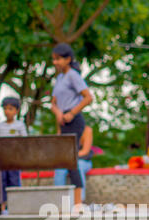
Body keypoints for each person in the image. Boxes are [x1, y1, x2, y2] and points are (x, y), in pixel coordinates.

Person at [51, 43, 93, 205]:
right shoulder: (60, 78)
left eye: (58, 59)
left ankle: (78, 203)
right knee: (65, 160)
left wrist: (72, 113)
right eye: (53, 59)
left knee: (71, 159)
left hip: (74, 121)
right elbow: (53, 103)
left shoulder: (73, 75)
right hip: (63, 121)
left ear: (68, 59)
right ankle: (62, 203)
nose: (55, 62)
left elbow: (88, 97)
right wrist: (59, 114)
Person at [0, 97, 27, 213]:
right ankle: (2, 208)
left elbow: (24, 142)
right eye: (5, 109)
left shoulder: (20, 126)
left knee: (14, 182)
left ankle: (15, 207)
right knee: (2, 183)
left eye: (10, 109)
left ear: (16, 111)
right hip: (1, 160)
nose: (7, 111)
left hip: (14, 160)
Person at [54, 125, 94, 202]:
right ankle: (58, 201)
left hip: (82, 161)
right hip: (67, 161)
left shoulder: (87, 130)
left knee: (79, 166)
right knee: (59, 169)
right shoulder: (63, 128)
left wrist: (71, 156)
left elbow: (85, 151)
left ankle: (80, 201)